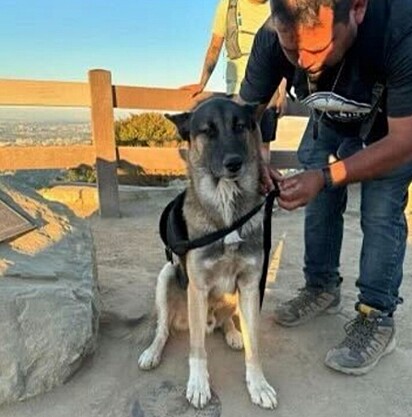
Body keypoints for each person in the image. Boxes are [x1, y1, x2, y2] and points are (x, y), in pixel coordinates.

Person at [239, 0, 412, 375]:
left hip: (390, 130)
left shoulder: (400, 27)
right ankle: (321, 287)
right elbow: (245, 114)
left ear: (358, 9)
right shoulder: (272, 38)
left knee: (380, 211)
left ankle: (376, 316)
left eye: (317, 48)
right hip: (330, 120)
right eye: (291, 49)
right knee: (315, 197)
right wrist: (258, 161)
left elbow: (404, 141)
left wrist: (327, 177)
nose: (303, 63)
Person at [182, 0, 287, 131]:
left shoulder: (276, 7)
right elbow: (215, 46)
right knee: (236, 142)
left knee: (262, 145)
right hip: (236, 92)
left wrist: (282, 94)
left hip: (268, 94)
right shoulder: (229, 4)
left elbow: (283, 53)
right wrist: (202, 83)